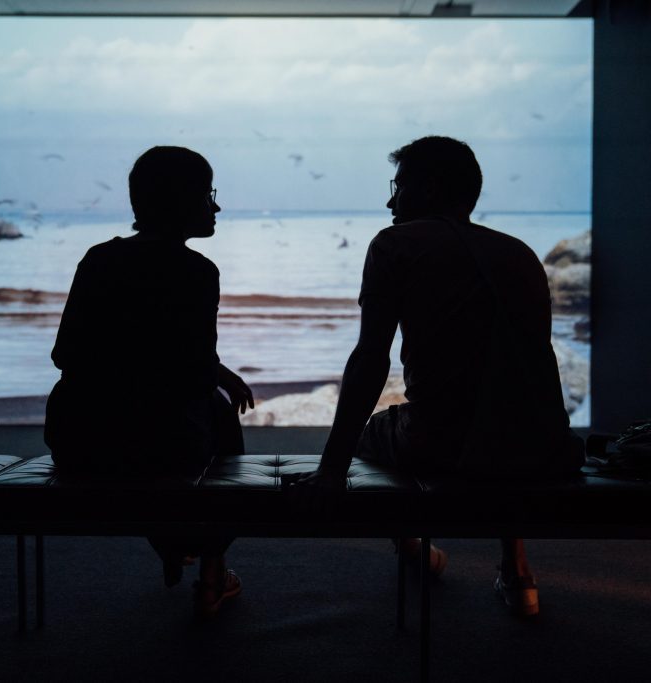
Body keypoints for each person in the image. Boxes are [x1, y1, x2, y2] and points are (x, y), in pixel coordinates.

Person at [291, 136, 583, 617]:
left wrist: (330, 469)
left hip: (445, 446)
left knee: (374, 435)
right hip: (543, 446)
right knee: (499, 410)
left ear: (427, 189)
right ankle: (517, 569)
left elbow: (370, 359)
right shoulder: (520, 253)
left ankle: (414, 549)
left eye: (398, 186)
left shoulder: (395, 245)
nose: (390, 200)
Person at [44, 145, 254, 618]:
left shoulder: (98, 259)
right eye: (208, 195)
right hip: (160, 448)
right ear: (184, 202)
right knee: (217, 419)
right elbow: (194, 372)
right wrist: (212, 377)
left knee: (177, 418)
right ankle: (212, 573)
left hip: (79, 440)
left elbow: (65, 354)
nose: (216, 206)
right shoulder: (198, 271)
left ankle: (172, 538)